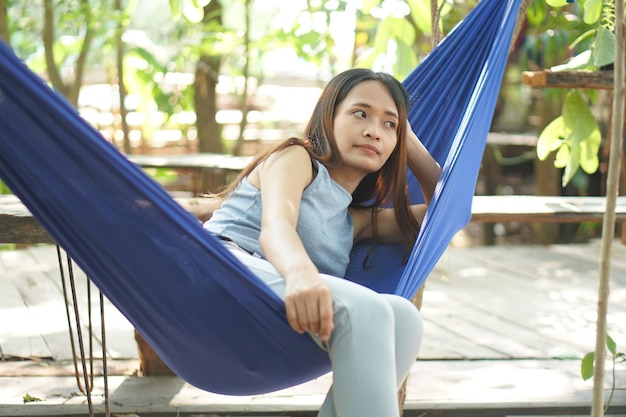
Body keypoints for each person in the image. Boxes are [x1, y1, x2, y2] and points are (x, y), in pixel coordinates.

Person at [204, 68, 441, 417]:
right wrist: (301, 274)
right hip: (218, 272)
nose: (373, 131)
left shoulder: (354, 221)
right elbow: (276, 226)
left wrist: (407, 138)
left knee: (403, 317)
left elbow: (444, 215)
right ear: (328, 117)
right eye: (360, 114)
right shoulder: (295, 158)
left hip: (272, 311)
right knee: (367, 308)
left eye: (388, 124)